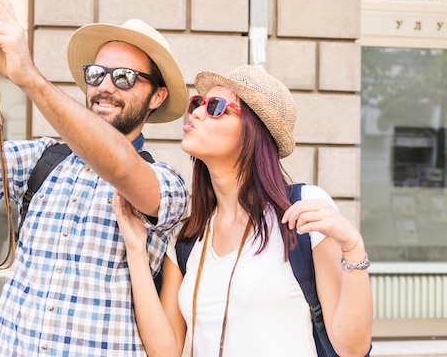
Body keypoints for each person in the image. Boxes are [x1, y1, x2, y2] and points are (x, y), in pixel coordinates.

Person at [0, 0, 189, 356]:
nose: (104, 87)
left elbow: (119, 166)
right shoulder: (43, 158)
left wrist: (28, 77)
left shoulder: (168, 182)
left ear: (157, 96)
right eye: (97, 73)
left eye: (124, 78)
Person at [114, 64, 373, 357]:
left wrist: (353, 248)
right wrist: (136, 251)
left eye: (215, 106)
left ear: (253, 131)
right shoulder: (186, 237)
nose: (196, 112)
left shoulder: (302, 211)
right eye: (198, 103)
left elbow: (351, 348)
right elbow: (165, 351)